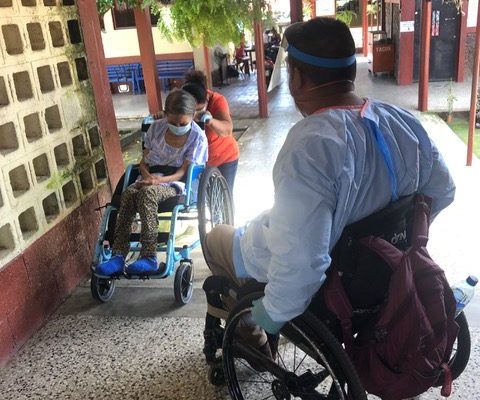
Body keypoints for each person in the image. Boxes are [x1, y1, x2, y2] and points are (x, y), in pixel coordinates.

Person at [202, 17, 455, 357]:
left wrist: (271, 313)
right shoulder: (401, 121)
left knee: (216, 238)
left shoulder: (311, 146)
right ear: (351, 71)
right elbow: (443, 190)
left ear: (297, 78)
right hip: (384, 270)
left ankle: (252, 335)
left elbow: (302, 262)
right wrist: (399, 236)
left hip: (326, 283)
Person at [96, 90, 208, 276]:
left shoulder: (197, 137)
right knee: (130, 194)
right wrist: (147, 177)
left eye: (183, 123)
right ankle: (118, 255)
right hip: (149, 178)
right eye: (172, 122)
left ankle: (149, 256)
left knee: (148, 193)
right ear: (165, 115)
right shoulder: (156, 128)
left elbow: (182, 172)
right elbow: (143, 161)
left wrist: (157, 181)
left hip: (176, 184)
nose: (177, 126)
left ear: (192, 116)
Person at [182, 70, 239, 194]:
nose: (195, 113)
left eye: (199, 109)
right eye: (192, 110)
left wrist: (210, 121)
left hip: (224, 156)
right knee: (202, 198)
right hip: (197, 160)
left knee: (224, 197)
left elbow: (227, 129)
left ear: (207, 97)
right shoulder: (179, 102)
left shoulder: (218, 100)